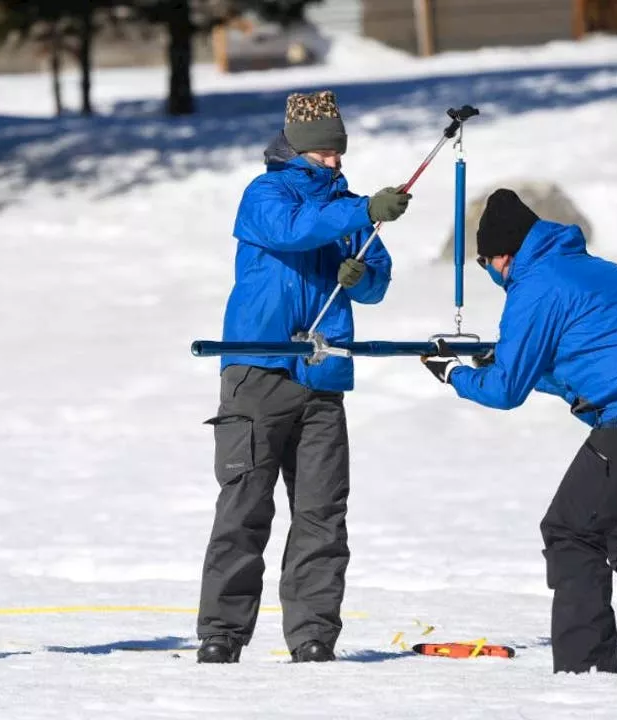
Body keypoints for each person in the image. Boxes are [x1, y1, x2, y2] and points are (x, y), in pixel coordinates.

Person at [421, 188, 617, 674]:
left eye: (486, 266)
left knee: (572, 532)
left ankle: (587, 674)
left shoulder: (535, 284)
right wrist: (505, 362)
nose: (493, 276)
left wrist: (453, 372)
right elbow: (581, 363)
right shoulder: (590, 270)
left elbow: (504, 392)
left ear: (502, 255)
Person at [196, 90, 412, 664]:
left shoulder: (347, 205)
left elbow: (376, 284)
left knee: (322, 514)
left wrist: (359, 272)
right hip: (258, 369)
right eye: (322, 153)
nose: (334, 161)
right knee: (245, 508)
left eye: (338, 151)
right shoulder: (265, 193)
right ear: (296, 147)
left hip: (322, 373)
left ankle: (314, 634)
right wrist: (362, 212)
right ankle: (222, 632)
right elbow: (294, 231)